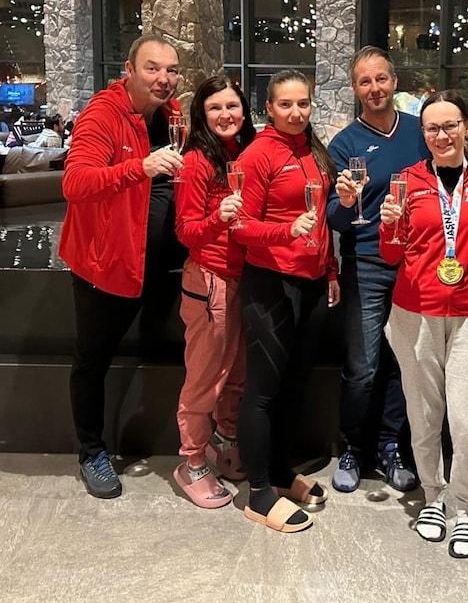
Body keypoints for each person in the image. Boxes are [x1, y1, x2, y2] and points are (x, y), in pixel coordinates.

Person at [379, 90, 468, 560]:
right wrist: (387, 225)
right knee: (423, 416)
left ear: (466, 128)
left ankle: (465, 507)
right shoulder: (408, 181)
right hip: (414, 312)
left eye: (450, 125)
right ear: (424, 133)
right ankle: (433, 497)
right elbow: (392, 254)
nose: (442, 135)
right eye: (432, 128)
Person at [59, 33, 186, 499]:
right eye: (153, 68)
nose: (163, 78)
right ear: (129, 70)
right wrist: (141, 168)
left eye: (171, 70)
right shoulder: (102, 114)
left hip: (152, 260)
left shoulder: (170, 115)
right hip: (105, 262)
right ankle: (91, 452)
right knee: (92, 359)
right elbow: (75, 183)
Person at [235, 70, 341, 533]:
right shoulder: (256, 155)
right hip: (271, 283)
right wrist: (284, 231)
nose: (296, 112)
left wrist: (331, 270)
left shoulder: (312, 150)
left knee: (294, 384)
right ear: (269, 108)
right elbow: (239, 227)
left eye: (304, 103)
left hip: (313, 282)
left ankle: (278, 472)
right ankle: (258, 492)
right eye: (286, 105)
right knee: (261, 391)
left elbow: (321, 221)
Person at [326, 46, 428, 493]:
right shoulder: (344, 143)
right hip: (366, 262)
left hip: (415, 263)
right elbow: (334, 218)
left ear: (395, 81)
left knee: (404, 362)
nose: (374, 88)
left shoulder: (420, 132)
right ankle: (352, 447)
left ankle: (390, 447)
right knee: (362, 366)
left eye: (381, 79)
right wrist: (347, 204)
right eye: (365, 82)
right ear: (355, 88)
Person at [172, 76, 256, 508]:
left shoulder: (240, 153)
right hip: (209, 279)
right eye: (216, 108)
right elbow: (186, 232)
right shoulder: (195, 161)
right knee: (206, 377)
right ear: (202, 116)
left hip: (243, 279)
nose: (226, 115)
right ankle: (191, 460)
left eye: (233, 106)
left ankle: (224, 441)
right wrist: (219, 218)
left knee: (237, 374)